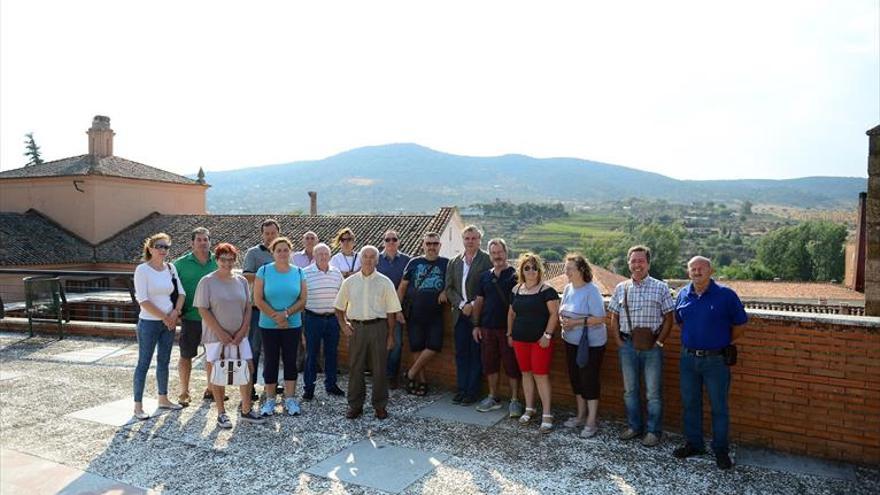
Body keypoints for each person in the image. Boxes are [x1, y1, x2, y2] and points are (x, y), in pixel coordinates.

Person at [672, 256, 748, 470]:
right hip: (688, 359)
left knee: (719, 407)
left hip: (716, 360)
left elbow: (741, 324)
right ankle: (695, 444)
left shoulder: (726, 295)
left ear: (710, 270)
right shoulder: (682, 294)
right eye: (692, 269)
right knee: (690, 404)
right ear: (688, 272)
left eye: (700, 268)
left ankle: (720, 450)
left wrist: (723, 341)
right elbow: (680, 322)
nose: (696, 272)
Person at [607, 245, 675, 447]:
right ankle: (634, 427)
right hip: (627, 345)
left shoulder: (660, 287)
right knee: (630, 390)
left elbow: (669, 318)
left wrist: (660, 342)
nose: (637, 264)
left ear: (648, 263)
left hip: (652, 346)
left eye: (641, 260)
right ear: (629, 263)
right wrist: (619, 342)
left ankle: (653, 431)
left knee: (653, 392)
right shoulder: (621, 288)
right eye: (633, 261)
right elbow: (614, 317)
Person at [194, 243, 266, 428]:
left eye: (230, 259)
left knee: (247, 368)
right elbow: (203, 309)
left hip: (240, 336)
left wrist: (242, 331)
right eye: (223, 259)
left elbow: (247, 308)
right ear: (216, 260)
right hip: (216, 336)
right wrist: (221, 333)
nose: (227, 263)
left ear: (235, 260)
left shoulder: (241, 281)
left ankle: (246, 410)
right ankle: (221, 413)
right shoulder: (207, 281)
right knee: (218, 372)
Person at [333, 245, 402, 420]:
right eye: (365, 256)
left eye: (372, 257)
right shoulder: (349, 282)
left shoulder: (385, 282)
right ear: (361, 259)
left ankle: (380, 405)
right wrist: (343, 325)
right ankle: (355, 405)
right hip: (357, 329)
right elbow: (338, 307)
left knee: (380, 369)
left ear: (377, 260)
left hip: (379, 328)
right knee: (356, 368)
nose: (369, 260)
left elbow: (392, 311)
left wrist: (391, 335)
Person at [132, 233, 185, 419]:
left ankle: (163, 399)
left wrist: (175, 313)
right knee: (143, 363)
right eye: (159, 246)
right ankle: (138, 406)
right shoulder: (142, 270)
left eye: (166, 247)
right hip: (149, 323)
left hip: (168, 323)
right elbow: (143, 300)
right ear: (150, 248)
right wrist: (166, 317)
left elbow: (181, 294)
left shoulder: (170, 269)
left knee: (164, 361)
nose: (163, 250)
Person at [254, 237, 308, 417]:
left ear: (290, 252)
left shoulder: (299, 272)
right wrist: (275, 317)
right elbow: (258, 299)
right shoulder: (263, 271)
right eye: (279, 250)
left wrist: (285, 315)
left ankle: (290, 398)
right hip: (268, 325)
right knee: (270, 361)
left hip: (292, 325)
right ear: (273, 252)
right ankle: (270, 400)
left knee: (291, 360)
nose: (283, 253)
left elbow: (303, 300)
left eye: (286, 250)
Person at [507, 252, 560, 433]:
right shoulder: (516, 290)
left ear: (539, 270)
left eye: (534, 268)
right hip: (520, 339)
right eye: (527, 268)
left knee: (541, 375)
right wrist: (509, 334)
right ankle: (530, 408)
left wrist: (547, 335)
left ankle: (547, 414)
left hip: (540, 341)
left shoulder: (547, 291)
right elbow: (511, 314)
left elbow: (555, 314)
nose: (531, 271)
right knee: (526, 373)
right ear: (522, 270)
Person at [472, 238, 523, 418]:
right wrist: (476, 325)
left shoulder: (516, 276)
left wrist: (512, 331)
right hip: (487, 328)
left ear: (506, 253)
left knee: (511, 365)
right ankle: (493, 397)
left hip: (508, 330)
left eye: (499, 252)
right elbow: (479, 301)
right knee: (490, 364)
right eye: (493, 253)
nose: (497, 256)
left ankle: (515, 400)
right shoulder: (485, 276)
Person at [558, 254, 607, 438]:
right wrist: (565, 321)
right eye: (566, 268)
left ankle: (591, 421)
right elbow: (563, 310)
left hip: (591, 345)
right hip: (570, 341)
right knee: (576, 379)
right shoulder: (568, 288)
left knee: (589, 380)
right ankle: (580, 415)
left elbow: (601, 318)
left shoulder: (591, 291)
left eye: (570, 268)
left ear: (581, 270)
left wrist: (575, 323)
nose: (566, 271)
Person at [444, 225, 492, 405]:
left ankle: (472, 391)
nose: (470, 242)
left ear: (480, 240)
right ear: (463, 240)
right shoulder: (454, 262)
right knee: (461, 353)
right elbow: (448, 288)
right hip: (459, 315)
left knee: (476, 353)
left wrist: (472, 305)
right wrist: (462, 304)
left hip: (478, 316)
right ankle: (461, 389)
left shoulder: (487, 260)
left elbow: (489, 288)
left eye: (474, 238)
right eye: (467, 238)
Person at [398, 232, 448, 396]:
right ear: (423, 245)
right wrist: (397, 310)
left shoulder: (447, 263)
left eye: (435, 244)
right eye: (428, 244)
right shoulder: (414, 262)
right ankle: (421, 381)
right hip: (414, 313)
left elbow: (455, 283)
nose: (432, 247)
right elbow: (403, 287)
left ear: (439, 245)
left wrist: (446, 290)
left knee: (434, 346)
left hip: (435, 314)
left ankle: (410, 373)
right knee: (416, 347)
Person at [172, 227, 218, 406]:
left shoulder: (218, 261)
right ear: (192, 243)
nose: (202, 242)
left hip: (214, 318)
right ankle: (184, 391)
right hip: (190, 317)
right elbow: (172, 289)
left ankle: (212, 389)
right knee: (186, 355)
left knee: (212, 356)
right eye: (198, 239)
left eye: (205, 239)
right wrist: (175, 311)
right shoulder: (179, 264)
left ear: (209, 242)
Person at [302, 243, 345, 400]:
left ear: (330, 255)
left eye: (326, 253)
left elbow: (342, 295)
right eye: (319, 254)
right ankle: (309, 388)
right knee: (311, 355)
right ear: (314, 256)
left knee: (332, 354)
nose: (323, 256)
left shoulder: (336, 273)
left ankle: (331, 385)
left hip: (332, 319)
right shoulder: (305, 273)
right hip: (313, 318)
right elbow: (301, 297)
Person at [242, 219, 280, 399]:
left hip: (278, 309)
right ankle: (249, 387)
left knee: (273, 350)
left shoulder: (282, 252)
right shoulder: (253, 253)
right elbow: (246, 275)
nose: (270, 236)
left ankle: (270, 385)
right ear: (262, 234)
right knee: (254, 348)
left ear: (278, 233)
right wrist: (267, 274)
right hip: (258, 309)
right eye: (267, 233)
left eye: (273, 233)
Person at [376, 230, 410, 389]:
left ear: (399, 241)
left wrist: (397, 309)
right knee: (378, 344)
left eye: (394, 239)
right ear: (383, 242)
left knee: (395, 344)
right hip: (378, 309)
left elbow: (407, 286)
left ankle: (391, 376)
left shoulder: (407, 261)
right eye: (387, 239)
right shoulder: (375, 259)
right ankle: (379, 375)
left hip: (397, 309)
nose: (390, 242)